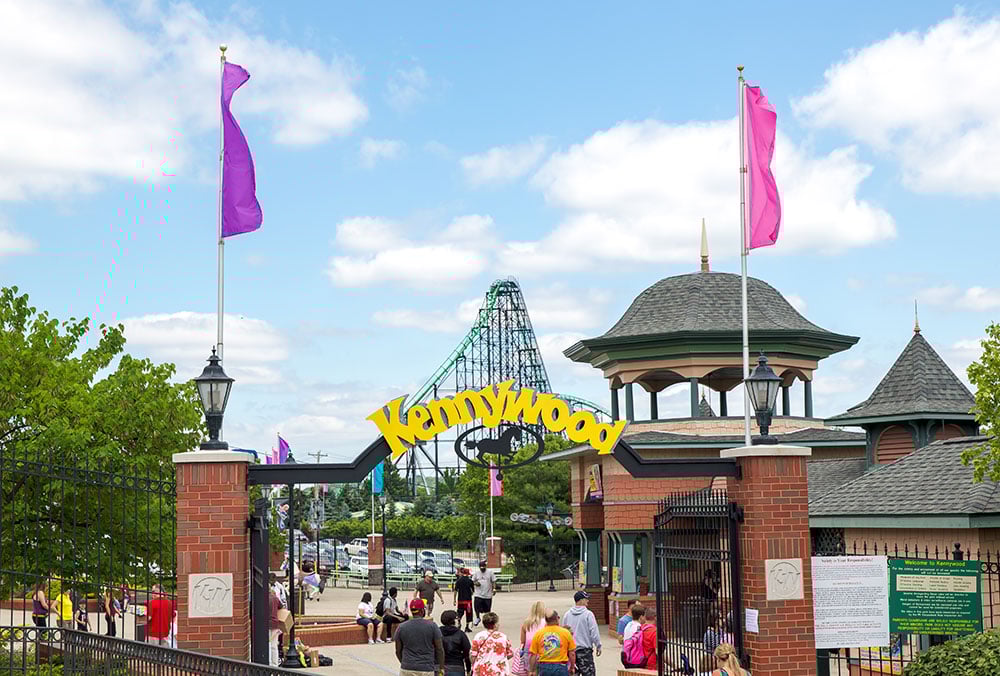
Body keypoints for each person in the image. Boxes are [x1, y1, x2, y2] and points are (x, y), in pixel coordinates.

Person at [394, 598, 444, 676]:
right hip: (426, 669)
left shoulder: (401, 627)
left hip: (407, 668)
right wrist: (441, 667)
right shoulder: (432, 626)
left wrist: (405, 663)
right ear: (422, 611)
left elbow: (398, 651)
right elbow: (439, 649)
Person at [562, 591, 601, 676]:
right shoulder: (588, 614)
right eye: (586, 598)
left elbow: (563, 632)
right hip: (585, 651)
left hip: (571, 652)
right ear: (580, 600)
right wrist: (598, 645)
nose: (588, 600)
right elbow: (594, 632)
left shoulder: (567, 615)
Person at [529, 609, 576, 676]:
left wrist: (531, 670)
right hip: (561, 666)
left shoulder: (539, 634)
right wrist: (572, 667)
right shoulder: (566, 633)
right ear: (557, 618)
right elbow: (572, 653)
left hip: (544, 666)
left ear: (546, 620)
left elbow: (533, 654)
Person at [470, 612, 513, 676]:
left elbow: (473, 655)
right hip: (498, 671)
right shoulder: (503, 637)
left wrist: (473, 665)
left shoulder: (478, 636)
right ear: (495, 625)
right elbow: (510, 654)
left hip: (481, 670)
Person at [510, 601, 546, 676]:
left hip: (528, 650)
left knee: (529, 671)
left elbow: (522, 641)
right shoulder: (545, 622)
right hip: (541, 650)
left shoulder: (526, 622)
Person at [440, 609, 472, 676]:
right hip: (456, 667)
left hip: (439, 667)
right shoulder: (460, 634)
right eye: (457, 618)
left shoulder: (437, 632)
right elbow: (467, 653)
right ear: (453, 620)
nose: (458, 620)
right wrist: (468, 669)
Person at [471, 561, 496, 628]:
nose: (482, 568)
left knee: (487, 609)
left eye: (483, 567)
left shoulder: (490, 572)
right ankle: (477, 618)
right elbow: (472, 581)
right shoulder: (476, 573)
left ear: (485, 566)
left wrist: (494, 589)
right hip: (478, 594)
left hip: (487, 594)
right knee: (476, 607)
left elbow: (493, 581)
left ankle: (487, 621)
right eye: (481, 567)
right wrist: (476, 583)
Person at [454, 568, 475, 633]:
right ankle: (467, 627)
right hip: (468, 601)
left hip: (460, 600)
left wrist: (454, 599)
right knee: (468, 613)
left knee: (460, 612)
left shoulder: (458, 581)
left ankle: (459, 622)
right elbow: (472, 591)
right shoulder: (470, 581)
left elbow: (455, 591)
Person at [269, 584, 284, 667]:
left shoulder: (262, 599)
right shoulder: (275, 598)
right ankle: (275, 664)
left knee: (267, 645)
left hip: (265, 624)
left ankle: (269, 663)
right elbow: (281, 607)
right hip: (275, 624)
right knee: (274, 645)